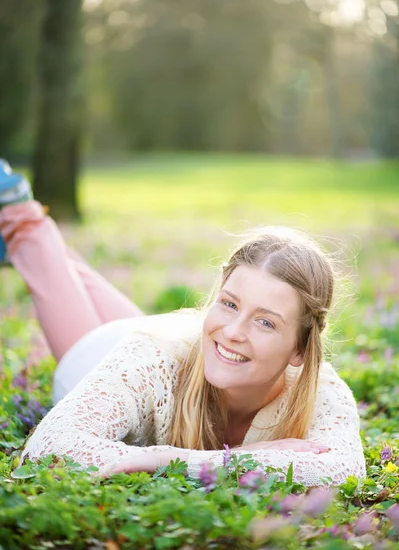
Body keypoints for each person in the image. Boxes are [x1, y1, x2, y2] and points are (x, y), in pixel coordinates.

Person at [0, 160, 366, 485]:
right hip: (104, 355)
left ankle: (25, 221)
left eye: (265, 323)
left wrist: (169, 460)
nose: (234, 331)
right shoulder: (151, 361)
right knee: (31, 239)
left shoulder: (320, 390)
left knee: (60, 264)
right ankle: (18, 217)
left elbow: (341, 469)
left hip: (152, 335)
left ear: (300, 350)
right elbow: (51, 445)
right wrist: (184, 460)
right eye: (228, 304)